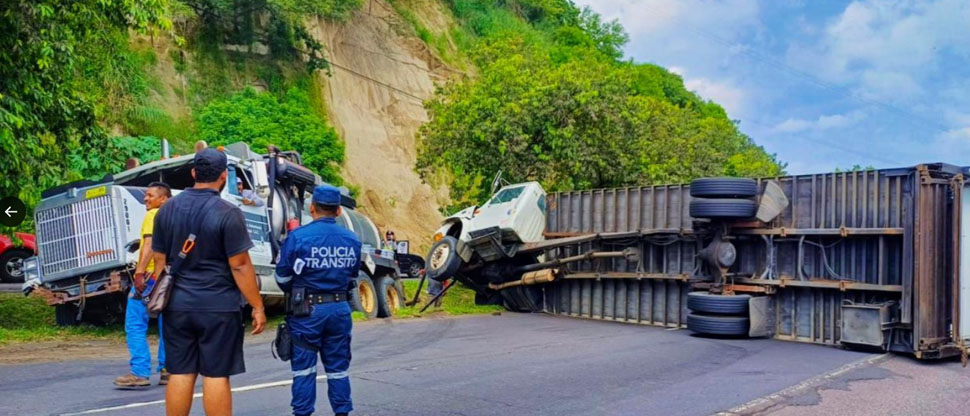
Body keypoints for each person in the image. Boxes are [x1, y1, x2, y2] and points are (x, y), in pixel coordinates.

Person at [151, 148, 266, 416]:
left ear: (193, 174)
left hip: (177, 304)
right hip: (217, 305)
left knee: (180, 371)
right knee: (216, 374)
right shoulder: (228, 212)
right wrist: (257, 306)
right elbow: (239, 265)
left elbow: (159, 263)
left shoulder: (166, 210)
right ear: (224, 176)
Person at [275, 185, 361, 416]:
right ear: (339, 211)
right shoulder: (353, 240)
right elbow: (352, 276)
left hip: (307, 312)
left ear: (312, 208)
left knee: (304, 369)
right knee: (338, 369)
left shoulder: (297, 237)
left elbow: (282, 277)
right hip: (340, 309)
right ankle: (343, 412)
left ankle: (303, 413)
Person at [114, 182, 171, 389]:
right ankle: (167, 369)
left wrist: (139, 273)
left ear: (163, 198)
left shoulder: (153, 215)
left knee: (135, 323)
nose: (146, 199)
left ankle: (139, 372)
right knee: (167, 325)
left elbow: (148, 244)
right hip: (169, 278)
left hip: (150, 277)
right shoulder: (174, 216)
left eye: (150, 195)